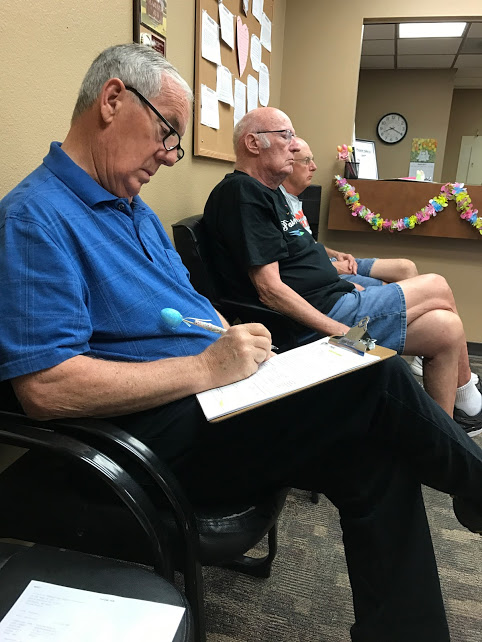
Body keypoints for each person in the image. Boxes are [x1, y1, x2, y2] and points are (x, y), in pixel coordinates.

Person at [0, 44, 481, 642]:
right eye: (167, 133)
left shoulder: (132, 209)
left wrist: (247, 358)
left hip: (220, 400)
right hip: (149, 434)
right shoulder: (35, 219)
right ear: (114, 100)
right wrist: (207, 368)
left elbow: (186, 312)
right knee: (372, 369)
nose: (170, 155)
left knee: (374, 453)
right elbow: (47, 390)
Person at [203, 107, 482, 435]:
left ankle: (442, 438)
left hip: (337, 300)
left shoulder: (270, 194)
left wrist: (349, 285)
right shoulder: (242, 193)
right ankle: (470, 400)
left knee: (446, 329)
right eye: (286, 135)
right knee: (436, 285)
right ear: (253, 143)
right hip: (317, 320)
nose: (294, 145)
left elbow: (301, 259)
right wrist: (343, 334)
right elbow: (270, 290)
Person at [280, 137, 419, 290]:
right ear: (287, 165)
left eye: (312, 160)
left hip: (325, 261)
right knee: (393, 289)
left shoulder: (294, 199)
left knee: (406, 268)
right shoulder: (276, 204)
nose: (314, 166)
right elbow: (288, 266)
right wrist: (333, 267)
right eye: (306, 161)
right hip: (318, 271)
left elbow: (309, 245)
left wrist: (336, 254)